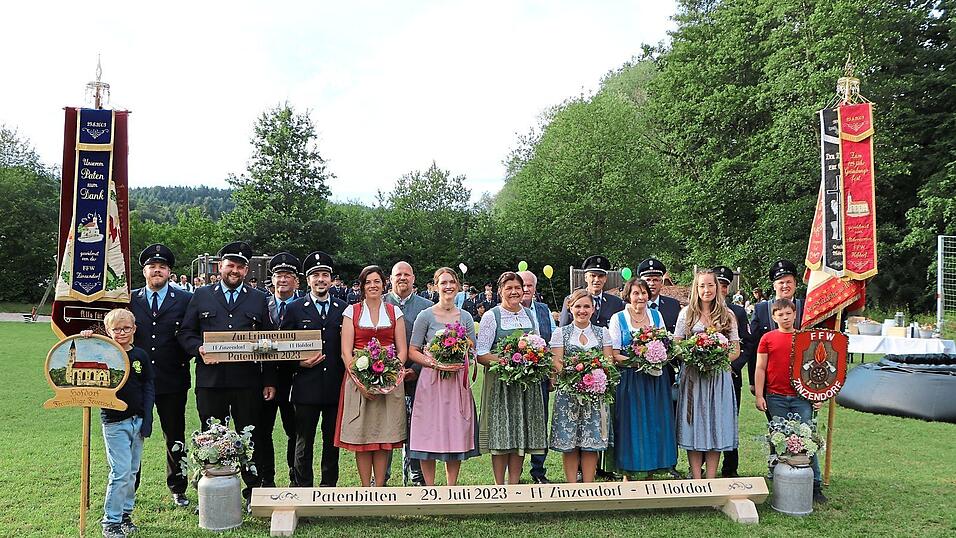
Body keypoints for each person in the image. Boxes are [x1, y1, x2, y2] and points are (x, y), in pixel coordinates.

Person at [178, 241, 276, 502]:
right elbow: (185, 333)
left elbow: (268, 342)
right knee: (211, 437)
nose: (235, 271)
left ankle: (253, 494)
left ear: (247, 271)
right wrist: (199, 348)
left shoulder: (259, 298)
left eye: (240, 267)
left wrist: (268, 380)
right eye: (230, 265)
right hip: (211, 382)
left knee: (250, 437)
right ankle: (212, 494)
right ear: (220, 267)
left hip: (247, 382)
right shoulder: (201, 296)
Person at [129, 244, 192, 508]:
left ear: (170, 272)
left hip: (172, 379)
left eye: (162, 267)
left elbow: (191, 334)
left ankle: (177, 487)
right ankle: (129, 487)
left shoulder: (185, 300)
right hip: (135, 381)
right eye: (152, 267)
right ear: (144, 271)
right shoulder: (129, 299)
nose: (157, 270)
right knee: (133, 436)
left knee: (174, 436)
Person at [83, 309, 154, 538]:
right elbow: (81, 353)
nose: (122, 333)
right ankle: (110, 521)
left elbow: (148, 386)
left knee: (132, 471)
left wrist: (147, 419)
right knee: (120, 471)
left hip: (138, 420)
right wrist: (86, 336)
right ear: (108, 331)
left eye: (126, 328)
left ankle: (125, 514)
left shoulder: (140, 355)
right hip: (114, 422)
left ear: (134, 329)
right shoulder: (103, 352)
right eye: (116, 329)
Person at [335, 265, 408, 487]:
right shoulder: (352, 312)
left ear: (384, 284)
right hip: (358, 379)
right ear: (362, 286)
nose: (373, 285)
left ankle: (380, 487)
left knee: (383, 436)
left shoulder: (395, 312)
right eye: (368, 282)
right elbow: (346, 352)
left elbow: (402, 350)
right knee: (363, 436)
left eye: (377, 281)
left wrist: (390, 375)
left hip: (389, 379)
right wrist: (361, 381)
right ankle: (366, 488)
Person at [407, 267, 480, 485]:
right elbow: (413, 350)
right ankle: (430, 488)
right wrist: (434, 362)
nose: (448, 286)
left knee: (454, 430)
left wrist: (462, 353)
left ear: (457, 286)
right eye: (443, 282)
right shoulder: (425, 315)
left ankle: (451, 488)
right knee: (428, 431)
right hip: (431, 381)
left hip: (457, 382)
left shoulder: (465, 316)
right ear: (435, 286)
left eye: (452, 282)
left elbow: (472, 348)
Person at [282, 251, 347, 487]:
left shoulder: (343, 308)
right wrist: (298, 362)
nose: (321, 279)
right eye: (316, 275)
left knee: (332, 441)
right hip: (305, 387)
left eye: (325, 275)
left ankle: (328, 489)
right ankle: (303, 489)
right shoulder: (295, 309)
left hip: (334, 386)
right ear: (308, 280)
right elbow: (282, 348)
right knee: (303, 441)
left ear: (331, 280)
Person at [476, 272, 547, 485]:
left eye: (518, 287)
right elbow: (481, 353)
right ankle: (499, 485)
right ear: (500, 291)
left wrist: (534, 359)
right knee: (501, 434)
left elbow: (537, 345)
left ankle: (514, 483)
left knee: (519, 433)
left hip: (526, 384)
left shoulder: (529, 315)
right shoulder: (492, 316)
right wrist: (508, 362)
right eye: (509, 288)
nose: (515, 291)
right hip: (501, 384)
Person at [754, 298, 827, 503]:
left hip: (801, 397)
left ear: (795, 314)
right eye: (780, 314)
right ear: (774, 316)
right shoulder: (767, 339)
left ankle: (814, 484)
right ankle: (778, 475)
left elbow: (816, 369)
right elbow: (760, 367)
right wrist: (760, 395)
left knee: (807, 439)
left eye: (788, 313)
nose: (785, 318)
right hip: (775, 396)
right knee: (779, 437)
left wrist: (816, 395)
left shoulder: (805, 338)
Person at [673, 269, 741, 479]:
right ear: (696, 288)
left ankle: (711, 478)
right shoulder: (686, 314)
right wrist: (695, 357)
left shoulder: (727, 314)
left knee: (715, 423)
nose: (706, 290)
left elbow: (735, 349)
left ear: (717, 287)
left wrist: (716, 359)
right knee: (694, 424)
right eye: (702, 285)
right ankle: (696, 477)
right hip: (693, 377)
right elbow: (677, 345)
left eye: (710, 285)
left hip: (718, 377)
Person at [608, 278, 677, 477]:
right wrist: (638, 362)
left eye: (644, 293)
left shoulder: (656, 315)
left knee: (655, 422)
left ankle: (651, 469)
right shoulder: (618, 318)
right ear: (628, 296)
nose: (640, 297)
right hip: (630, 379)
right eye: (636, 293)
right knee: (631, 423)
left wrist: (657, 356)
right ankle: (628, 471)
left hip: (655, 379)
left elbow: (666, 344)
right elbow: (614, 354)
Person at [549, 290, 614, 483]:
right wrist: (576, 376)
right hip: (569, 395)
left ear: (593, 309)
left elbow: (608, 362)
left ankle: (588, 486)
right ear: (570, 308)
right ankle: (571, 486)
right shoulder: (561, 332)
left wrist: (594, 377)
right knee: (570, 443)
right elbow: (557, 362)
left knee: (590, 443)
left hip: (595, 396)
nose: (582, 310)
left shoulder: (603, 333)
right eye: (578, 306)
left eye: (587, 306)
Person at [383, 261, 433, 486]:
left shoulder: (426, 306)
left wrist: (415, 370)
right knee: (384, 427)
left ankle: (416, 475)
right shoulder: (378, 304)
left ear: (414, 279)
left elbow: (431, 344)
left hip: (416, 379)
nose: (402, 278)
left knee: (416, 428)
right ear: (390, 279)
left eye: (407, 274)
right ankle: (381, 475)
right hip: (382, 380)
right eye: (398, 274)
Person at [258, 252, 301, 487]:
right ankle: (267, 479)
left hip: (294, 379)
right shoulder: (261, 305)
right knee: (263, 432)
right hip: (264, 378)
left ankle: (295, 478)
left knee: (295, 433)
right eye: (278, 275)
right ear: (272, 280)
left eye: (288, 275)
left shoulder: (304, 306)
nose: (282, 279)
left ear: (296, 281)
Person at [712, 266, 755, 478]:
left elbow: (747, 345)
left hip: (730, 375)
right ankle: (703, 467)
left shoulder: (737, 312)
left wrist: (733, 366)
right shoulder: (699, 310)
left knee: (729, 420)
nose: (720, 288)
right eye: (716, 283)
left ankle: (730, 468)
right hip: (706, 376)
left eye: (724, 285)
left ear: (728, 289)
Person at [519, 270, 555, 484]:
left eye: (529, 285)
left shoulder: (543, 310)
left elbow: (551, 343)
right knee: (516, 422)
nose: (525, 289)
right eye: (521, 284)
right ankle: (514, 472)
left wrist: (551, 375)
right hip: (515, 377)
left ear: (535, 288)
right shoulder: (505, 311)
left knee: (539, 422)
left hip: (540, 377)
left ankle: (538, 471)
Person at [748, 260, 804, 392]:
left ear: (795, 284)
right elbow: (753, 345)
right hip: (771, 383)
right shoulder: (761, 309)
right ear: (774, 286)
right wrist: (753, 381)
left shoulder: (806, 307)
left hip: (802, 380)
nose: (785, 286)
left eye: (789, 282)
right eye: (781, 282)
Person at [559, 255, 625, 328]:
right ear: (586, 277)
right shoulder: (571, 300)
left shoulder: (616, 303)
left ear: (605, 278)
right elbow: (563, 329)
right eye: (593, 276)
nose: (597, 280)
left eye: (600, 276)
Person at [638, 257, 681, 333]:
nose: (651, 284)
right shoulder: (633, 306)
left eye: (655, 280)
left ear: (661, 283)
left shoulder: (673, 305)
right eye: (647, 280)